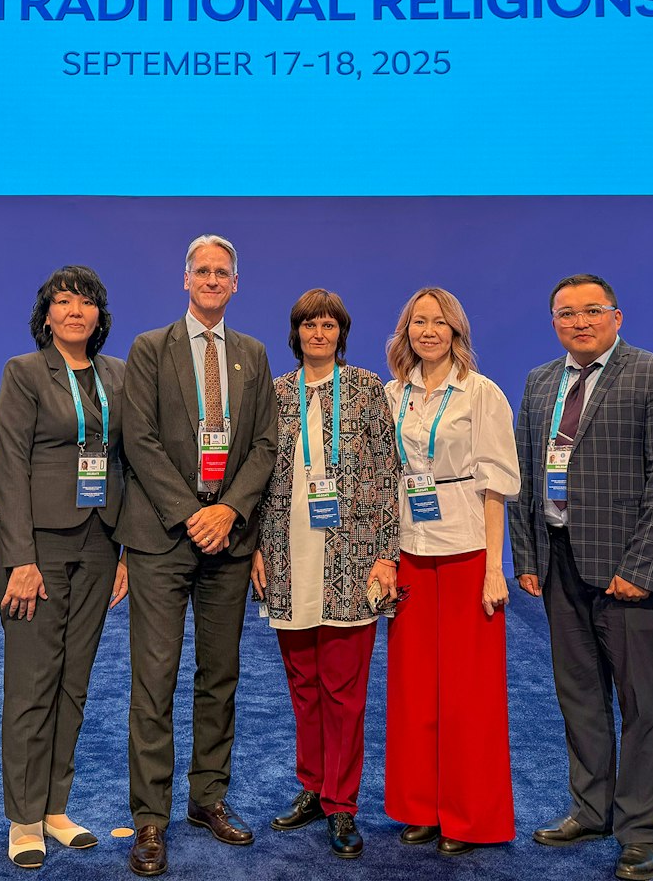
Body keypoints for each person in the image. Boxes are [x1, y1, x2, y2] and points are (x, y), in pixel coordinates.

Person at [510, 274, 653, 881]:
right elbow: (526, 480)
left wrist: (640, 569)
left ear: (617, 315)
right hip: (559, 561)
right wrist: (528, 559)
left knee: (641, 703)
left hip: (625, 572)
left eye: (592, 311)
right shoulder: (540, 383)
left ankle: (640, 829)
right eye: (566, 313)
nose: (580, 321)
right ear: (554, 321)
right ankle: (590, 809)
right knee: (579, 696)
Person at [117, 234, 280, 878]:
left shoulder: (253, 353)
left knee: (221, 675)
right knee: (153, 680)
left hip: (229, 540)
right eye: (202, 271)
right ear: (185, 280)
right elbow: (140, 439)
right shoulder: (150, 349)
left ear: (234, 284)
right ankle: (150, 818)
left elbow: (265, 444)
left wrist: (228, 512)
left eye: (223, 272)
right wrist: (191, 513)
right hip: (163, 537)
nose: (212, 280)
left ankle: (207, 797)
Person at [252, 289, 400, 860]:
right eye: (308, 324)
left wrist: (386, 553)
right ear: (296, 333)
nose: (318, 333)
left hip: (352, 556)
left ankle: (342, 803)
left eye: (328, 324)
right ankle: (312, 786)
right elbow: (260, 476)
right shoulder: (276, 393)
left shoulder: (365, 389)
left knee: (345, 691)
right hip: (289, 556)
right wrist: (258, 549)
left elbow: (390, 473)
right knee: (304, 687)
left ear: (341, 332)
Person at [0, 266, 131, 870]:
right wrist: (20, 557)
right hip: (38, 548)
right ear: (46, 314)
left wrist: (125, 550)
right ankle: (23, 818)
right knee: (33, 683)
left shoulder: (117, 375)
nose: (75, 311)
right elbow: (9, 469)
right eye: (63, 301)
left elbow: (129, 460)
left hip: (100, 543)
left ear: (100, 315)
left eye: (87, 302)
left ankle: (55, 806)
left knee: (74, 682)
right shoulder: (23, 373)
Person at [381, 287, 520, 855]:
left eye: (440, 322)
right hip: (411, 549)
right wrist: (384, 558)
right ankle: (420, 808)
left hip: (466, 552)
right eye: (419, 321)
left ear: (457, 332)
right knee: (414, 692)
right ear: (405, 330)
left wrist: (495, 567)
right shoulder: (392, 394)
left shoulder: (481, 393)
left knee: (468, 695)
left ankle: (468, 817)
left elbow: (496, 485)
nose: (429, 331)